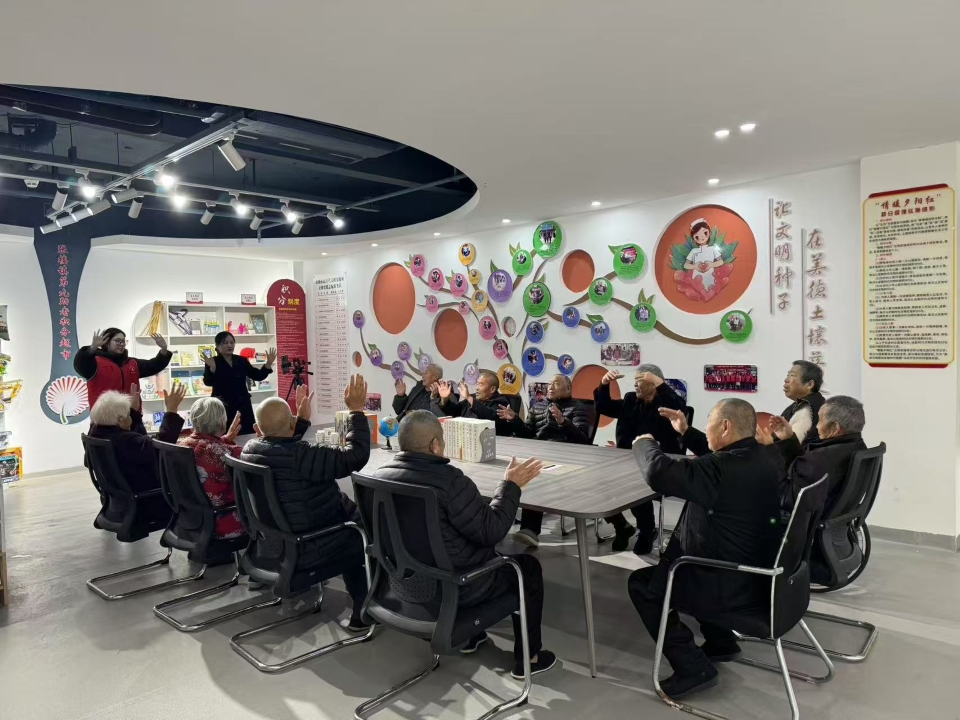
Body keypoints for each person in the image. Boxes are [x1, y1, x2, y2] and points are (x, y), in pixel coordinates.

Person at [373, 410, 557, 678]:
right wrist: (510, 485)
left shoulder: (379, 477)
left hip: (405, 585)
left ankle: (472, 636)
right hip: (457, 588)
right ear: (435, 445)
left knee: (461, 546)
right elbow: (492, 531)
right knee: (526, 567)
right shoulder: (451, 482)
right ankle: (530, 658)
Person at [628, 399, 785, 698]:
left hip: (728, 582)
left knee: (642, 585)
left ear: (725, 426)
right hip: (755, 571)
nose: (707, 426)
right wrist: (686, 431)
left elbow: (658, 472)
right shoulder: (763, 458)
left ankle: (692, 667)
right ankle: (721, 641)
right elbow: (716, 457)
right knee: (700, 557)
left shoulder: (721, 469)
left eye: (709, 420)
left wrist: (644, 443)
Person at [241, 376, 371, 630]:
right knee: (359, 529)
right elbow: (355, 456)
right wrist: (356, 411)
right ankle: (364, 609)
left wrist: (300, 420)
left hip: (273, 544)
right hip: (311, 544)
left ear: (258, 428)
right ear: (290, 423)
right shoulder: (302, 456)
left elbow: (281, 445)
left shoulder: (250, 450)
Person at [757, 397, 868, 580]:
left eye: (820, 420)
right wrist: (788, 440)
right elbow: (806, 469)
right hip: (833, 522)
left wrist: (769, 449)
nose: (816, 426)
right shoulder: (855, 447)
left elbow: (787, 498)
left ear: (835, 428)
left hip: (806, 521)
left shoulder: (822, 458)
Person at [594, 364, 686, 554]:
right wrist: (604, 384)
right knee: (596, 483)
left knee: (635, 483)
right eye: (634, 381)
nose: (635, 384)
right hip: (624, 460)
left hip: (656, 463)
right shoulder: (630, 400)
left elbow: (680, 406)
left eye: (640, 381)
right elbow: (602, 407)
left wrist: (661, 385)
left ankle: (647, 530)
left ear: (654, 384)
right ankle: (622, 526)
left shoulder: (666, 405)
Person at [497, 374, 592, 547]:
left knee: (535, 477)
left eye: (556, 384)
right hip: (540, 454)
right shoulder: (538, 406)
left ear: (568, 388)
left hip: (566, 458)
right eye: (550, 384)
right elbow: (527, 434)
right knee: (517, 471)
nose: (551, 387)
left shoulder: (578, 408)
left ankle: (530, 529)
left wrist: (562, 421)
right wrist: (514, 419)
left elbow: (583, 441)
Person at [87, 383, 186, 525]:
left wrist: (132, 411)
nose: (131, 418)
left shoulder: (96, 435)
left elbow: (139, 439)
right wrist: (172, 410)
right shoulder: (125, 441)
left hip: (118, 504)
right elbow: (160, 446)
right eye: (129, 415)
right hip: (146, 503)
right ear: (120, 421)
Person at [177, 397, 246, 539]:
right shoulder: (231, 453)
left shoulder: (180, 447)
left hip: (189, 519)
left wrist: (224, 439)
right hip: (222, 521)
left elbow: (204, 446)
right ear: (222, 421)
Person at [75, 328, 172, 410]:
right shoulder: (95, 362)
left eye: (123, 341)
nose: (122, 344)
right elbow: (80, 365)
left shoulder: (132, 363)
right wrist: (92, 348)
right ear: (106, 342)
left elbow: (154, 365)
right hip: (104, 418)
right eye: (117, 341)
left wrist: (164, 349)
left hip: (132, 417)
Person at [203, 331, 277, 436]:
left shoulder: (241, 360)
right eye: (225, 343)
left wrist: (268, 364)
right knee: (224, 435)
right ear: (217, 345)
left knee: (247, 434)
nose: (229, 345)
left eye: (232, 342)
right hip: (223, 406)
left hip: (242, 404)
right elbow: (208, 382)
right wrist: (213, 369)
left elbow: (257, 376)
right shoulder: (212, 361)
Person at [436, 370, 513, 435]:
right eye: (477, 384)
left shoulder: (501, 402)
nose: (476, 388)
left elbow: (489, 415)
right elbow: (454, 411)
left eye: (481, 384)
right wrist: (444, 399)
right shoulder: (472, 398)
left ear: (492, 389)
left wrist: (469, 397)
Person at [780, 360, 826, 444]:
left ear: (810, 385)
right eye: (788, 375)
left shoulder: (806, 408)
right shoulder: (808, 403)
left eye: (792, 375)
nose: (786, 380)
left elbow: (793, 445)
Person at [684, 219, 723, 291]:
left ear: (710, 233)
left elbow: (721, 261)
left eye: (705, 233)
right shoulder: (694, 251)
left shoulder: (713, 249)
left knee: (710, 289)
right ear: (693, 239)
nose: (702, 237)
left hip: (710, 276)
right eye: (697, 236)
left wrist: (711, 264)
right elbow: (686, 265)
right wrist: (695, 266)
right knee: (697, 289)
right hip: (696, 277)